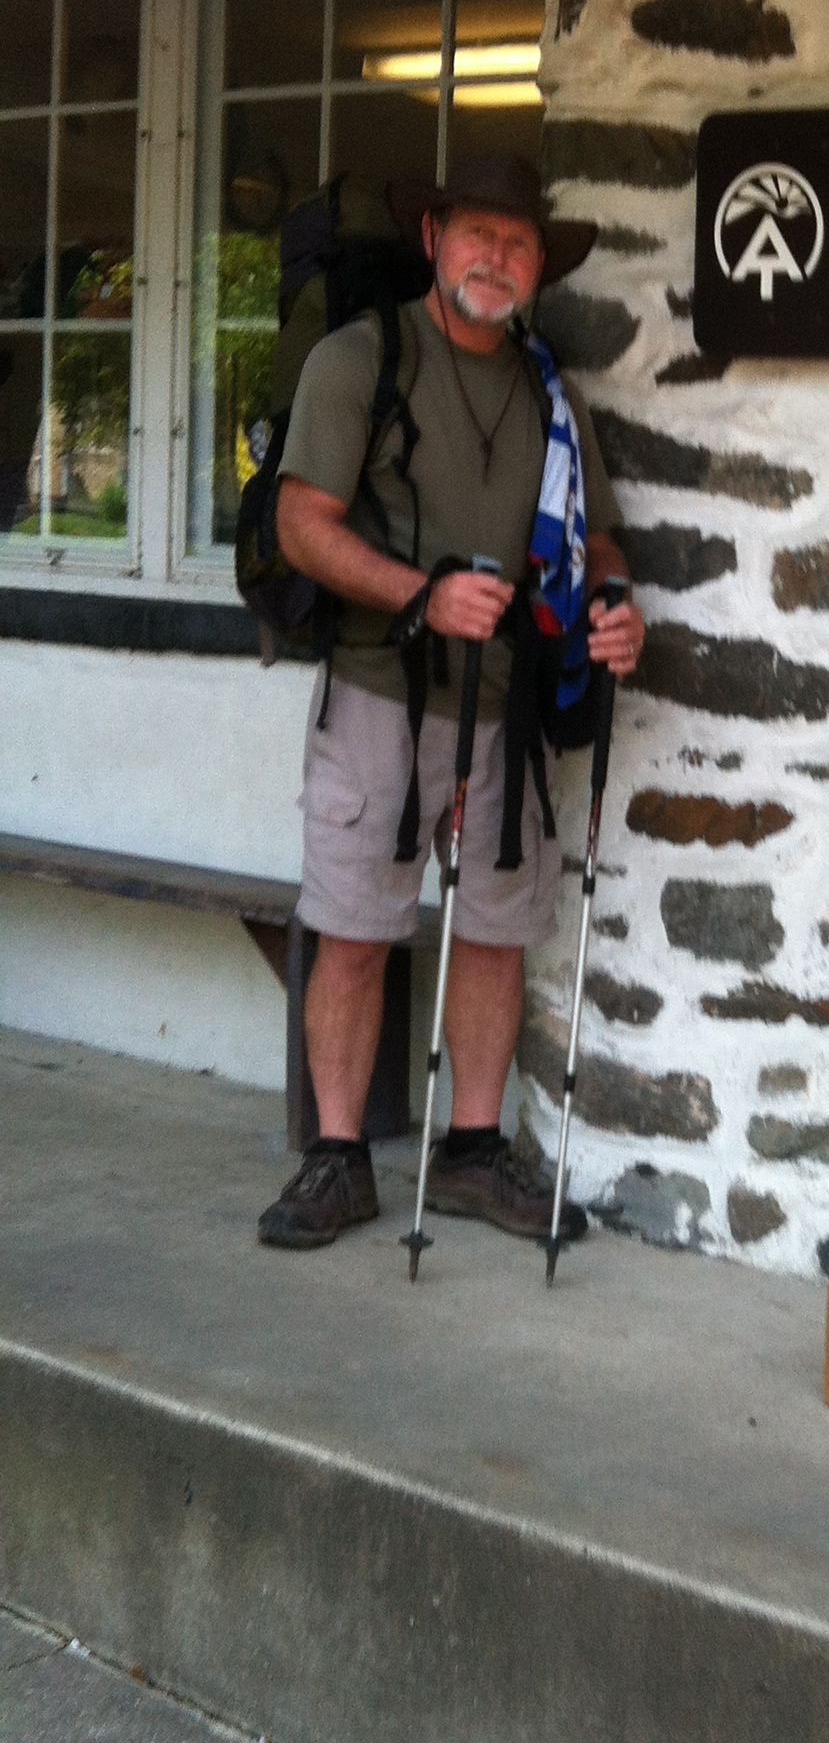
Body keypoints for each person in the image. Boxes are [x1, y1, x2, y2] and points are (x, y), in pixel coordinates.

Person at [256, 154, 644, 1251]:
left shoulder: (545, 391)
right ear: (433, 239)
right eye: (478, 234)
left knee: (492, 932)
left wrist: (615, 601)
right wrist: (420, 593)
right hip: (382, 690)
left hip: (506, 708)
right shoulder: (361, 358)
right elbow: (302, 524)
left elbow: (593, 535)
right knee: (355, 925)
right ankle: (336, 1161)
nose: (497, 258)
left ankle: (473, 1153)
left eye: (519, 244)